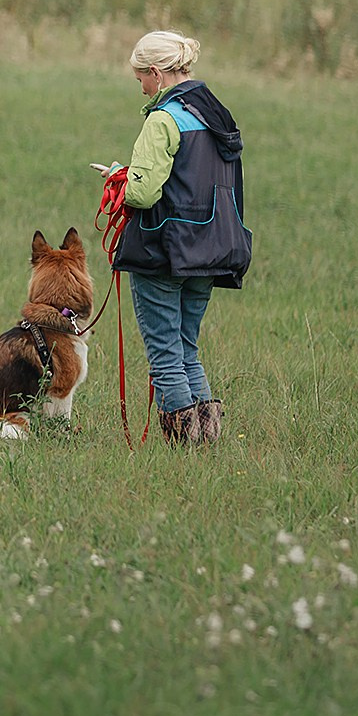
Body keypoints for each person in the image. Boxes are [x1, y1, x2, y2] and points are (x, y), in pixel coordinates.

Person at [113, 30, 251, 445]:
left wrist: (121, 178)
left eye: (140, 77)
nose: (140, 85)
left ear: (156, 73)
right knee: (187, 348)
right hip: (210, 251)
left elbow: (141, 192)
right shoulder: (217, 115)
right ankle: (207, 439)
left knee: (165, 353)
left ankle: (183, 445)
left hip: (163, 251)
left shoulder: (164, 118)